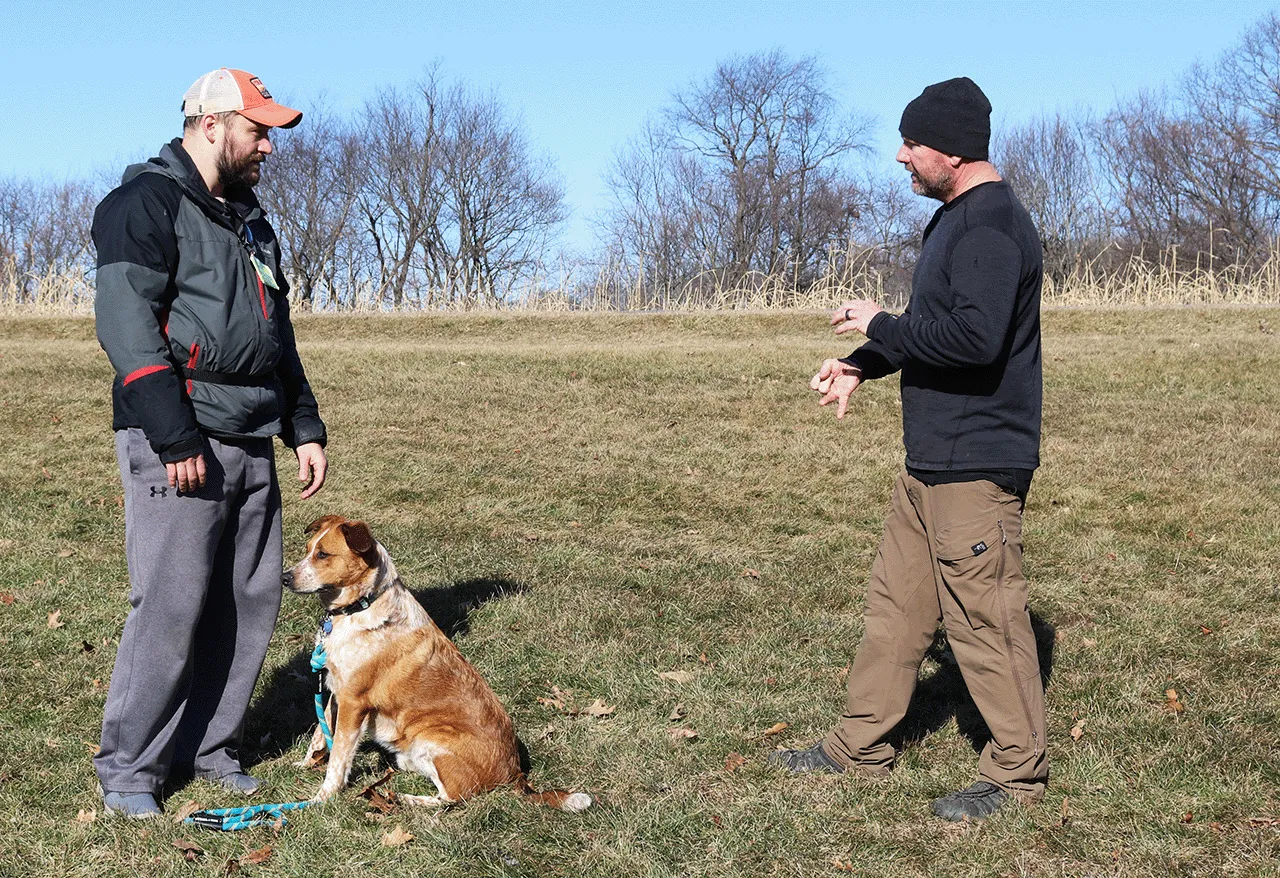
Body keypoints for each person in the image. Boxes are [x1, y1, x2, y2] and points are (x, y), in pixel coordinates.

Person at [769, 77, 1048, 822]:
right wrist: (864, 362)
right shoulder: (955, 221)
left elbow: (973, 340)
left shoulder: (990, 225)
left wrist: (880, 319)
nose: (900, 156)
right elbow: (931, 332)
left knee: (984, 620)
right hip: (930, 463)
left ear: (950, 149)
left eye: (911, 143)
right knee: (896, 611)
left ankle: (1017, 773)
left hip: (976, 467)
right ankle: (858, 748)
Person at [92, 68, 328, 819]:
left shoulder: (250, 220)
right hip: (182, 438)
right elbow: (127, 327)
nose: (268, 146)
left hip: (251, 436)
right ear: (211, 124)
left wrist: (303, 425)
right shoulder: (143, 204)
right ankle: (130, 770)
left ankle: (210, 747)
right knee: (170, 605)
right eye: (258, 130)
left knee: (247, 603)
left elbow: (274, 334)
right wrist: (173, 433)